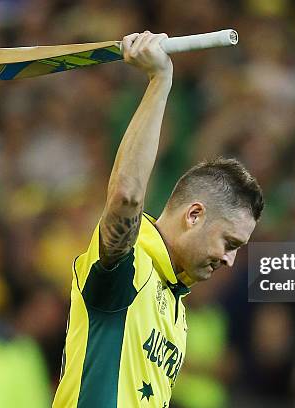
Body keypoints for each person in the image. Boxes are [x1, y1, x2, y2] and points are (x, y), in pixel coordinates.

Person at [52, 31, 264, 407]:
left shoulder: (178, 310)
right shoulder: (129, 265)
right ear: (195, 214)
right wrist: (159, 81)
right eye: (229, 243)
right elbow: (126, 196)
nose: (230, 260)